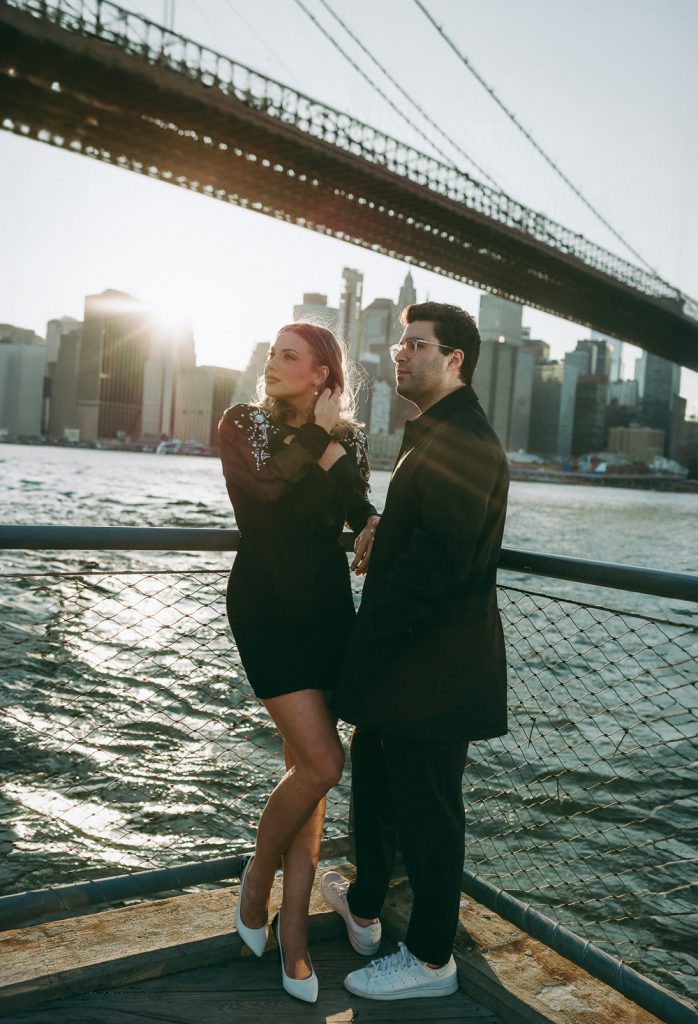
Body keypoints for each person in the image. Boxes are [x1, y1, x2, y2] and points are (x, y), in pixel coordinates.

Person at [322, 301, 509, 1001]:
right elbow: (418, 531)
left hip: (435, 671)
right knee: (374, 788)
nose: (400, 353)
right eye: (401, 342)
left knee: (430, 814)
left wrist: (365, 650)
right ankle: (365, 908)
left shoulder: (464, 439)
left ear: (454, 358)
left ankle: (432, 959)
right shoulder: (431, 430)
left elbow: (440, 565)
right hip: (406, 667)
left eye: (417, 344)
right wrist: (380, 525)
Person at [218, 322, 380, 1004]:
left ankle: (294, 937)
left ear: (322, 374)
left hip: (325, 616)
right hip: (266, 610)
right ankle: (257, 883)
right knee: (323, 765)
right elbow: (270, 492)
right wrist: (323, 433)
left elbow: (353, 504)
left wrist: (375, 521)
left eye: (291, 355)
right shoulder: (242, 423)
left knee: (305, 775)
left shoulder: (351, 440)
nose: (273, 362)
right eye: (272, 353)